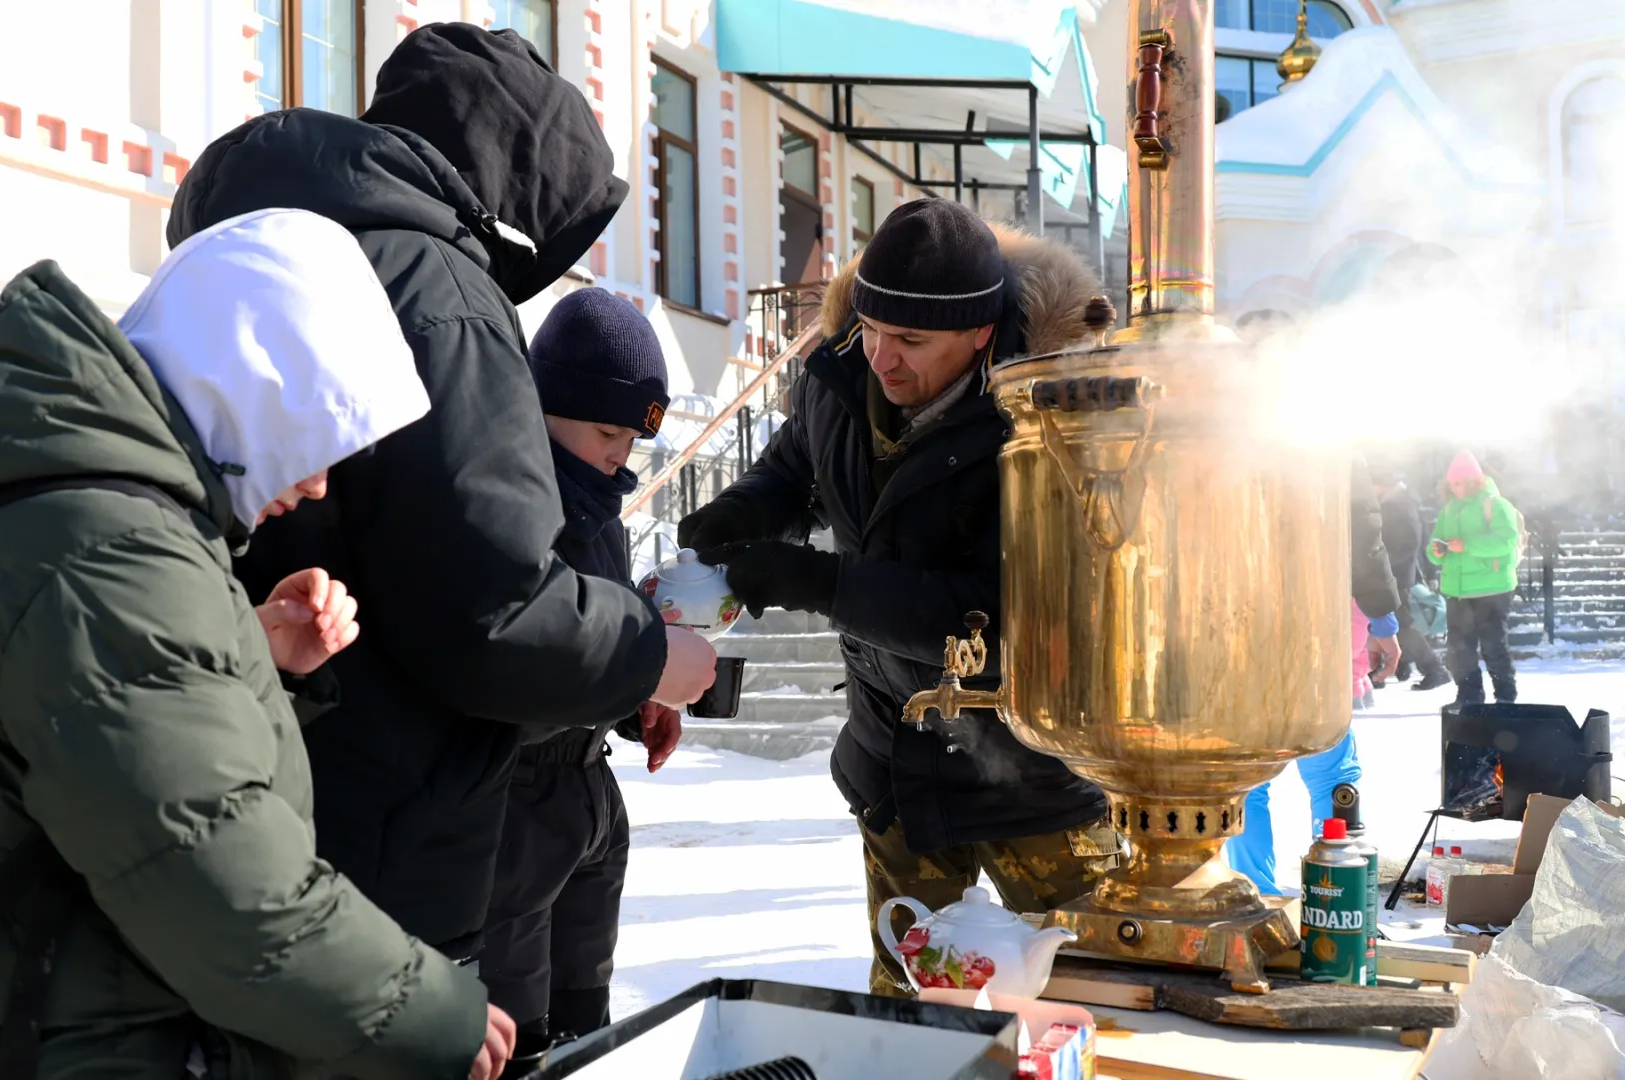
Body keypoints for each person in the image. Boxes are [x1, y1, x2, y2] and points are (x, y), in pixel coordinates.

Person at [0, 209, 519, 1079]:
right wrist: (436, 1010)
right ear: (247, 381)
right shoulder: (107, 554)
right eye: (314, 432)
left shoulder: (90, 513)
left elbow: (122, 773)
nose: (320, 483)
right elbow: (229, 899)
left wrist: (251, 660)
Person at [166, 23, 717, 970]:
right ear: (518, 174)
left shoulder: (253, 245)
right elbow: (488, 608)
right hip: (386, 857)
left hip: (244, 801)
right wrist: (645, 656)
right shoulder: (439, 291)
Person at [676, 199, 1120, 996]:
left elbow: (1007, 618)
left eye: (911, 341)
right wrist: (748, 509)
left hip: (1035, 782)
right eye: (874, 329)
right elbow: (792, 464)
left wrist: (821, 583)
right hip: (894, 768)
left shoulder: (1052, 421)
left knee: (1092, 1002)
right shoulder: (842, 369)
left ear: (981, 334)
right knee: (913, 1017)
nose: (882, 357)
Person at [479, 289, 682, 1073]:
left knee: (586, 1031)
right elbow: (513, 670)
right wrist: (631, 669)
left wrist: (640, 700)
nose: (620, 455)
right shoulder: (517, 505)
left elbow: (598, 641)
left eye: (632, 438)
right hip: (517, 815)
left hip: (587, 799)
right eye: (607, 431)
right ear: (547, 407)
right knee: (517, 1043)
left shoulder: (601, 503)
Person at [1226, 457, 1399, 894]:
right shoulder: (1325, 435)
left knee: (1248, 776)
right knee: (1331, 771)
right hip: (1315, 622)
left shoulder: (1222, 432)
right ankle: (1338, 889)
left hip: (1238, 621)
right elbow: (1364, 535)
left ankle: (1254, 891)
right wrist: (1382, 621)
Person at [1429, 449, 1522, 705]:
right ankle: (1469, 696)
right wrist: (1436, 550)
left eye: (1460, 483)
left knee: (1493, 646)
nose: (1456, 488)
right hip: (1457, 589)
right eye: (1452, 484)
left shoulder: (1496, 504)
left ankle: (1505, 698)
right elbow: (1433, 545)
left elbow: (1505, 541)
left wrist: (1467, 545)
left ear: (1474, 481)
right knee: (1459, 648)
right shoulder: (1449, 510)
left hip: (1492, 588)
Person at [1373, 468, 1451, 691]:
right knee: (1389, 624)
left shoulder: (1400, 504)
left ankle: (1434, 668)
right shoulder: (1394, 503)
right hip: (1391, 574)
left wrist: (1381, 560)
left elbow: (1410, 542)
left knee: (1401, 626)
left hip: (1395, 575)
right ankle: (1388, 668)